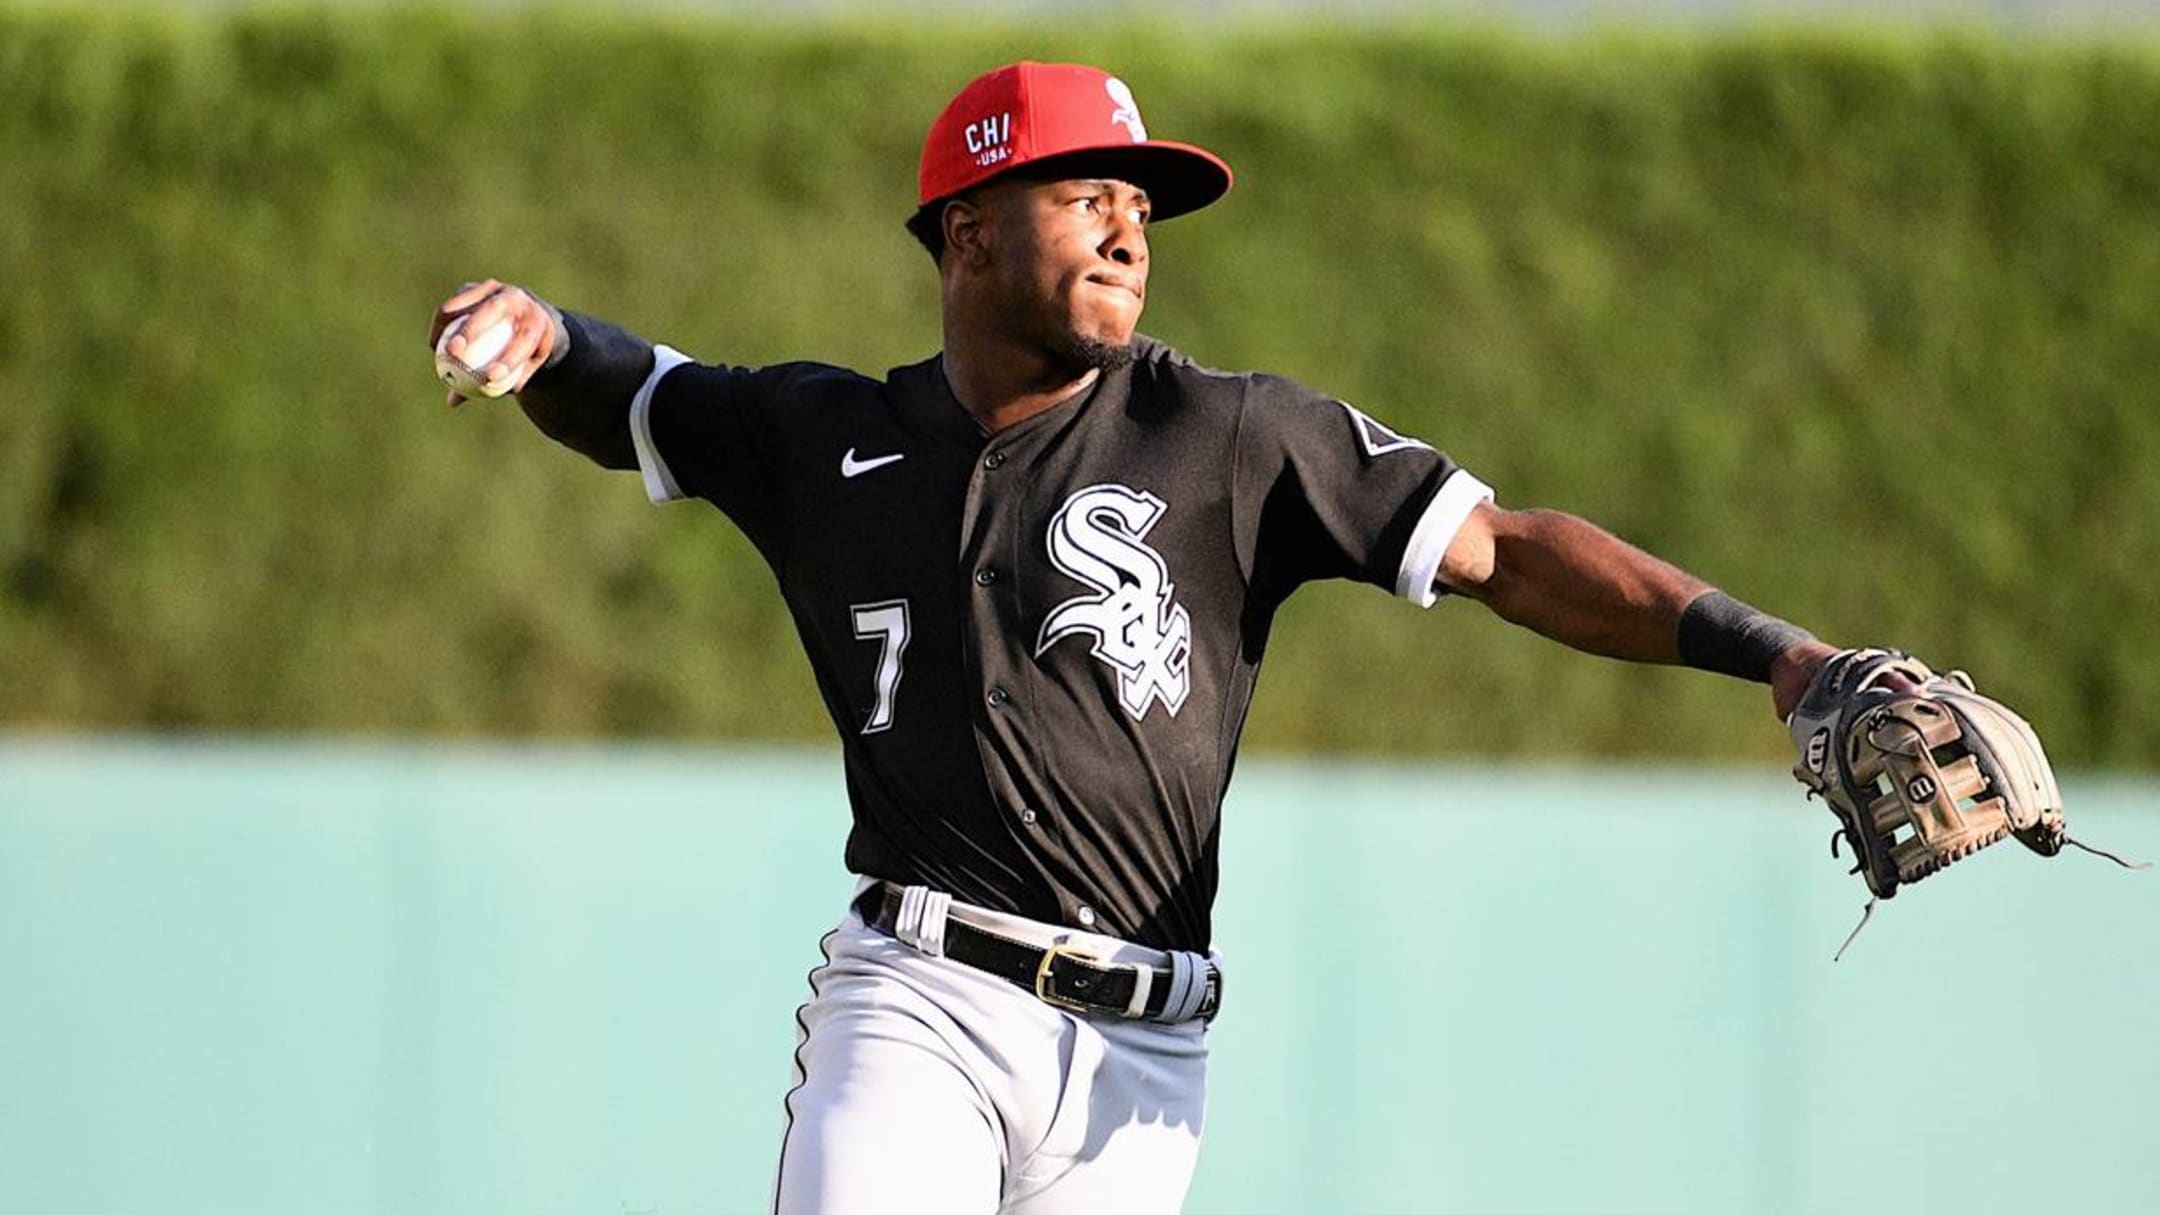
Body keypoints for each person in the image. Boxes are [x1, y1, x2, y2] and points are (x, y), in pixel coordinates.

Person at [428, 60, 1835, 1215]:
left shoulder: (1227, 435)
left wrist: (1790, 657)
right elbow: (635, 395)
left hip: (1143, 1069)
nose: (1128, 234)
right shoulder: (828, 436)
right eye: (1090, 194)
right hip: (920, 1003)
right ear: (971, 230)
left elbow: (1511, 552)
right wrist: (541, 334)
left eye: (1142, 212)